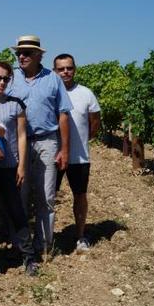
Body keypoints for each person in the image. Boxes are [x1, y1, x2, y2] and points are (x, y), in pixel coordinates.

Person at [7, 35, 72, 257]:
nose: (21, 57)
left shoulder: (53, 79)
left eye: (26, 53)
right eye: (18, 53)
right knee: (19, 195)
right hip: (19, 144)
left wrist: (64, 149)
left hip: (47, 141)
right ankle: (20, 246)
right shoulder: (10, 79)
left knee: (46, 197)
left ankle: (43, 246)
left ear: (38, 55)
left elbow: (63, 115)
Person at [0, 61, 39, 275]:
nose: (1, 82)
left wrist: (22, 165)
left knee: (16, 210)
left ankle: (28, 255)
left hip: (9, 165)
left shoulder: (16, 105)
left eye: (6, 78)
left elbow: (22, 136)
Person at [53, 53, 101, 252]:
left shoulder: (86, 94)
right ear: (54, 71)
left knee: (80, 195)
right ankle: (47, 236)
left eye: (69, 68)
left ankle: (80, 235)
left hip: (79, 157)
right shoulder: (50, 92)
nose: (65, 72)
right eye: (61, 68)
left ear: (75, 69)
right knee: (47, 197)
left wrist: (81, 141)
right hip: (52, 157)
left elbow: (95, 123)